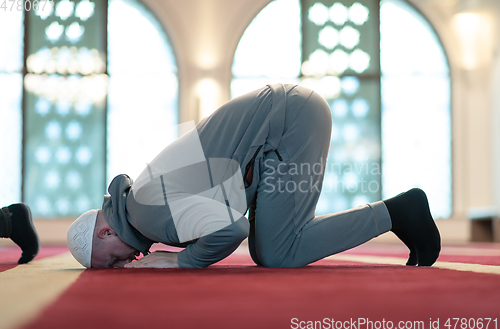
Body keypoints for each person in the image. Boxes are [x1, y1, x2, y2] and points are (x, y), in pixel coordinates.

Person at [67, 84, 440, 269]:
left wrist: (179, 262)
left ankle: (400, 212)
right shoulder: (141, 203)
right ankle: (398, 212)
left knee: (278, 252)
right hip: (282, 124)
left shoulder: (147, 214)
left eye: (112, 261)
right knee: (270, 252)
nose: (125, 265)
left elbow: (232, 229)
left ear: (104, 233)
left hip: (287, 123)